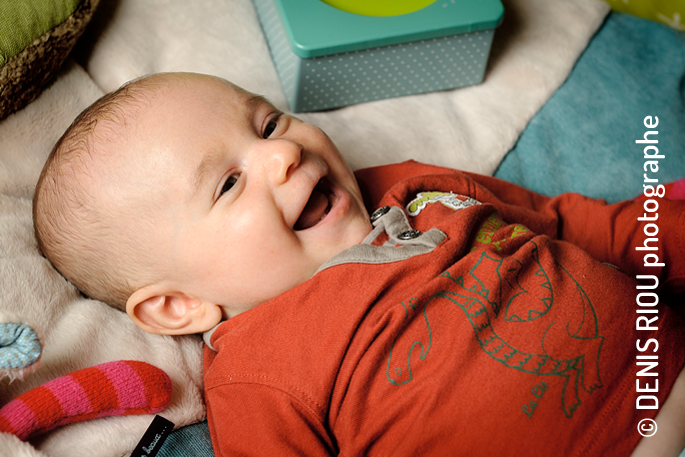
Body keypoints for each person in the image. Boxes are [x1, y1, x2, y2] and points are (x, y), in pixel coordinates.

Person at [33, 72, 685, 457]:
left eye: (265, 126)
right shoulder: (259, 373)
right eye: (228, 184)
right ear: (179, 305)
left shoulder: (411, 188)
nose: (282, 154)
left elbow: (572, 223)